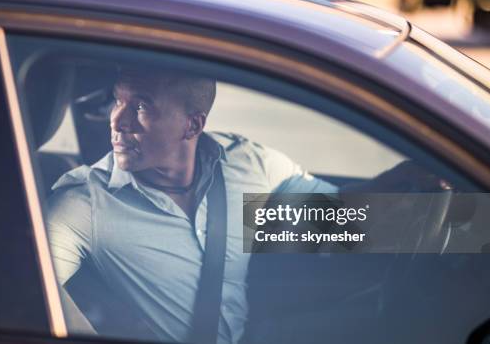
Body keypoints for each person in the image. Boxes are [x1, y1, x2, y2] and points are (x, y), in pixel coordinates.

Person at [45, 66, 339, 344]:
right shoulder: (86, 202)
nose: (117, 121)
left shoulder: (246, 164)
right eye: (117, 101)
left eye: (141, 106)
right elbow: (23, 293)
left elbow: (354, 223)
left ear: (192, 124)